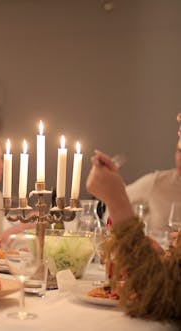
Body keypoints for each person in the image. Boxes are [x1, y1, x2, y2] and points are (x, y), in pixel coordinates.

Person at [86, 113, 181, 322]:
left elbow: (163, 300)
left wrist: (118, 202)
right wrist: (159, 258)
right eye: (179, 149)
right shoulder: (158, 181)